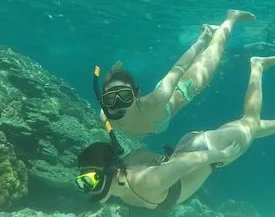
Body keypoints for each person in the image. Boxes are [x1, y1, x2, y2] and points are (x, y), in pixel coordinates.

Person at [76, 56, 275, 210]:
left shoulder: (145, 182)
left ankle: (257, 67)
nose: (88, 188)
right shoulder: (124, 179)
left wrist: (222, 155)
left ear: (110, 171)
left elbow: (190, 161)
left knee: (249, 123)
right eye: (83, 182)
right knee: (244, 130)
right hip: (192, 149)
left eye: (91, 179)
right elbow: (155, 158)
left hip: (206, 151)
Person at [98, 9, 256, 137]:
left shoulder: (155, 102)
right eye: (110, 99)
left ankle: (231, 18)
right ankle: (210, 33)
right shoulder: (106, 116)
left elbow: (179, 67)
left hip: (187, 87)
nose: (118, 104)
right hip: (170, 93)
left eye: (125, 96)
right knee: (208, 56)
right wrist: (114, 75)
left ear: (137, 94)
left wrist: (200, 42)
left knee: (215, 51)